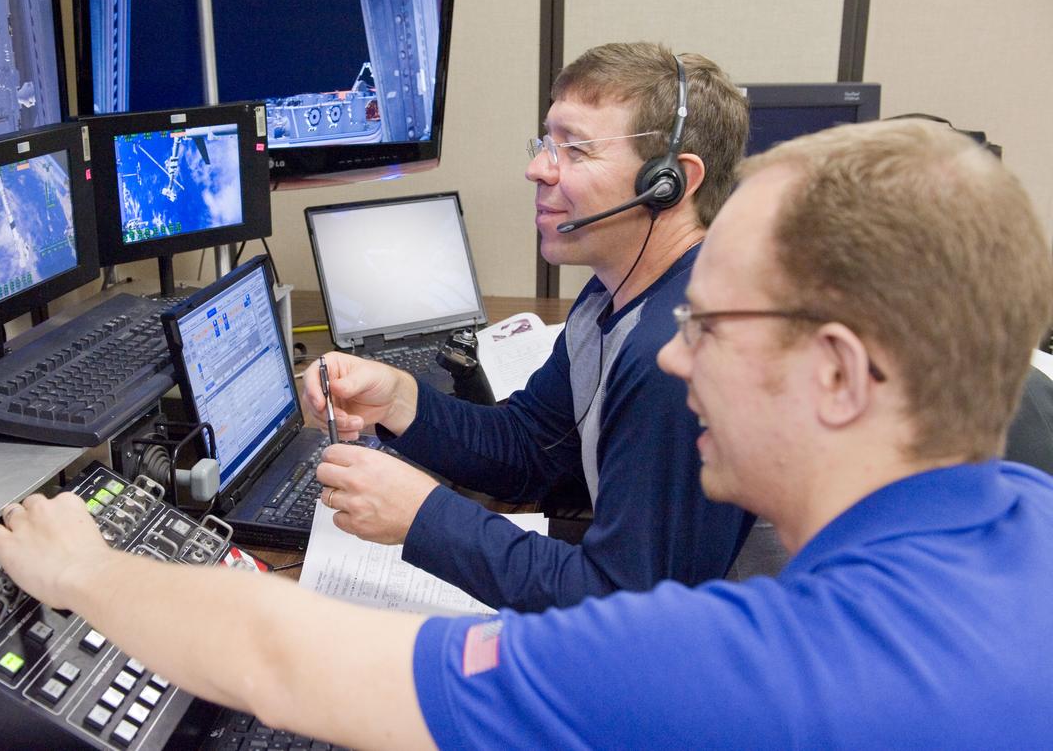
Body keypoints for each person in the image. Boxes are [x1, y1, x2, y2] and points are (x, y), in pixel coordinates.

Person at [0, 120, 1053, 747]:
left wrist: (88, 569)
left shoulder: (750, 668)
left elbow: (282, 656)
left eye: (709, 326)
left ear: (837, 373)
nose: (675, 359)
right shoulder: (1030, 517)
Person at [301, 42, 755, 612]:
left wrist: (422, 518)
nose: (538, 168)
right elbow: (533, 446)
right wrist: (399, 402)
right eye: (546, 143)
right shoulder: (612, 295)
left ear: (669, 182)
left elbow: (626, 608)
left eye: (577, 150)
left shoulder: (678, 351)